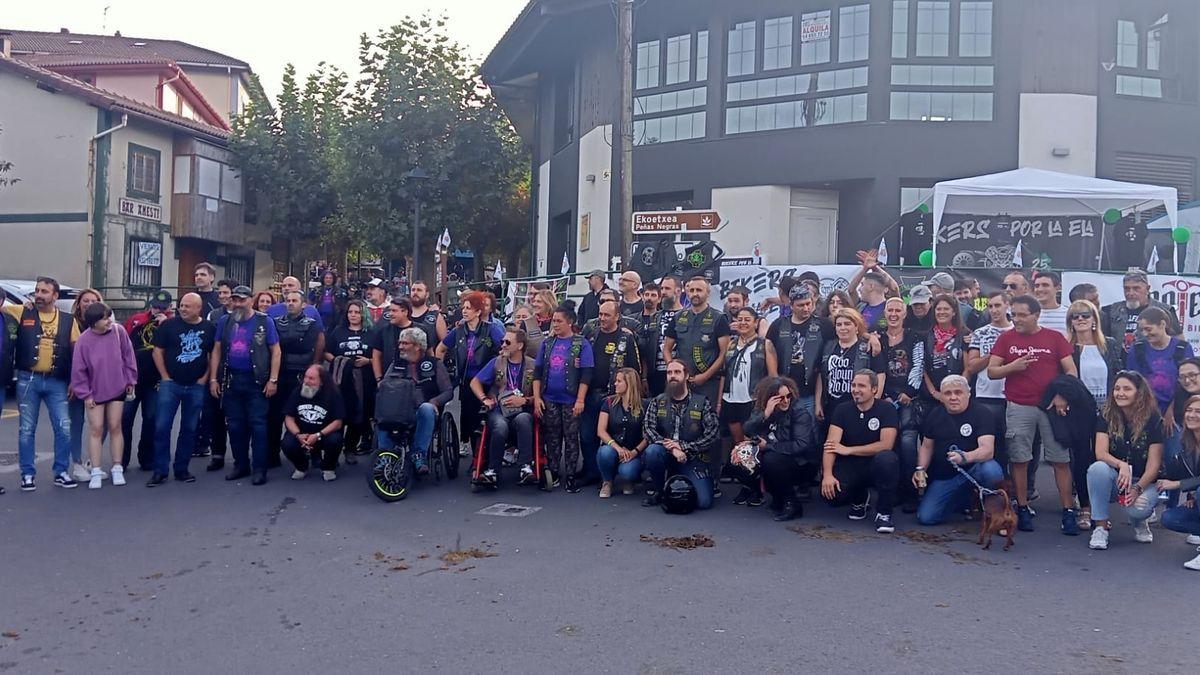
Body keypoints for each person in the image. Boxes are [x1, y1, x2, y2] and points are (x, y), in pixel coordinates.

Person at [987, 295, 1079, 534]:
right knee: (1019, 459)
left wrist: (1062, 395)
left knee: (1060, 459)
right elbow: (992, 372)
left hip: (1050, 406)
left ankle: (1068, 510)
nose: (1016, 319)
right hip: (1019, 406)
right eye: (1013, 315)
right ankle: (1023, 507)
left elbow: (1071, 371)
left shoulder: (1054, 337)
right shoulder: (1006, 338)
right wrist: (1012, 367)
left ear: (1036, 315)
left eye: (1021, 315)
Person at [4, 277, 81, 491]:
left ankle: (61, 471)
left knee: (64, 427)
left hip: (58, 381)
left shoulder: (68, 320)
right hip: (28, 379)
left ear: (55, 296)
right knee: (26, 429)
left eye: (44, 291)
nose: (39, 295)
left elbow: (77, 352)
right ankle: (27, 474)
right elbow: (3, 307)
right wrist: (23, 304)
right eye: (37, 291)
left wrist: (75, 380)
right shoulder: (22, 312)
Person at [209, 285, 282, 485]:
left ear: (251, 300)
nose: (238, 303)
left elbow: (275, 351)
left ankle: (260, 469)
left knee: (258, 425)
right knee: (235, 425)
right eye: (235, 299)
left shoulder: (264, 321)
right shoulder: (225, 321)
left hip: (256, 380)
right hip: (231, 379)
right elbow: (216, 350)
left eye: (242, 299)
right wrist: (214, 379)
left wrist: (273, 380)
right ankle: (241, 465)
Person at [1087, 371, 1164, 550]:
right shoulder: (1106, 415)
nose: (1120, 393)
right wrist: (1120, 464)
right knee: (1097, 469)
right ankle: (1101, 527)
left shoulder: (1153, 419)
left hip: (1143, 481)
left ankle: (1139, 521)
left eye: (1127, 389)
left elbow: (1154, 465)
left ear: (1139, 392)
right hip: (1117, 479)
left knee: (1139, 509)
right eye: (1117, 389)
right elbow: (1100, 453)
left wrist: (1137, 489)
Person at [914, 375, 1004, 525]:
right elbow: (926, 447)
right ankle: (966, 501)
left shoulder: (982, 413)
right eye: (948, 393)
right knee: (926, 518)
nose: (953, 397)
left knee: (991, 470)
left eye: (958, 392)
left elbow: (988, 450)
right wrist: (920, 469)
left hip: (975, 469)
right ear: (941, 396)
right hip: (946, 476)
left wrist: (965, 457)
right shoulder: (934, 415)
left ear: (968, 393)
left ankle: (997, 513)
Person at [146, 293, 215, 487]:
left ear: (198, 309)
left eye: (187, 306)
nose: (182, 309)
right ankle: (160, 471)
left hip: (196, 385)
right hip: (171, 384)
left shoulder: (208, 328)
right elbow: (157, 351)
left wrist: (204, 379)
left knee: (189, 429)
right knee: (161, 427)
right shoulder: (168, 325)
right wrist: (165, 377)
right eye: (181, 305)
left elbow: (212, 355)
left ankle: (182, 469)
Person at [823, 370, 901, 533]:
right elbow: (831, 445)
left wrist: (849, 450)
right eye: (853, 385)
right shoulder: (842, 409)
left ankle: (884, 513)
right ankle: (859, 499)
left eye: (861, 386)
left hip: (876, 464)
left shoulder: (887, 409)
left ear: (874, 389)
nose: (856, 389)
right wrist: (828, 475)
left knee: (887, 459)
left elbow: (886, 444)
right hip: (852, 465)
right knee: (831, 497)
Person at [70, 302, 137, 489]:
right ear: (93, 321)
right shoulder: (84, 340)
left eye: (109, 317)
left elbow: (128, 356)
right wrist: (85, 394)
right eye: (104, 318)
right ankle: (96, 471)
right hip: (94, 391)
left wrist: (130, 380)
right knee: (96, 429)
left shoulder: (118, 332)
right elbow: (78, 370)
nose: (109, 321)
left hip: (117, 387)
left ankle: (117, 468)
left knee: (116, 426)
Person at [642, 359, 720, 511]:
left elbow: (713, 434)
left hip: (692, 458)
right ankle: (659, 491)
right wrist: (673, 449)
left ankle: (689, 479)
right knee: (652, 451)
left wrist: (684, 447)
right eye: (669, 372)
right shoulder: (658, 401)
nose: (672, 376)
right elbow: (648, 429)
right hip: (666, 454)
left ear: (687, 376)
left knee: (704, 502)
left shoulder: (702, 402)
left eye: (677, 372)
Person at [373, 327, 453, 475]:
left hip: (423, 411)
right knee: (384, 414)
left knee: (426, 408)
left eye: (405, 343)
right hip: (399, 411)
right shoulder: (396, 365)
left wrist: (434, 402)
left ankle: (418, 454)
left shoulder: (435, 364)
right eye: (400, 343)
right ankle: (385, 456)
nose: (400, 347)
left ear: (417, 346)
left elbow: (448, 391)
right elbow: (385, 386)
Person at [581, 300, 643, 485]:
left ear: (617, 317)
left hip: (616, 396)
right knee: (587, 435)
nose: (602, 318)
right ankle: (591, 473)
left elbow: (635, 368)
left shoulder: (626, 337)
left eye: (607, 315)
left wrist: (631, 393)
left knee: (616, 435)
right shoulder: (591, 334)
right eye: (600, 314)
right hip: (592, 392)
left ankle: (614, 474)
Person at [533, 305, 594, 492]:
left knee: (571, 437)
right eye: (554, 321)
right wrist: (536, 398)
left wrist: (580, 400)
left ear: (570, 322)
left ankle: (571, 475)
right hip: (549, 398)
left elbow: (586, 374)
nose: (555, 324)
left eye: (559, 321)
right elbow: (538, 371)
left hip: (571, 399)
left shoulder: (581, 343)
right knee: (552, 436)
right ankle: (553, 473)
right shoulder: (547, 343)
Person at [437, 291, 506, 457]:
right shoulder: (458, 331)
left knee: (486, 417)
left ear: (478, 312)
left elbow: (505, 347)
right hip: (466, 379)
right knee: (468, 414)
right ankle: (469, 447)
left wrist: (498, 368)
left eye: (469, 308)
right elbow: (441, 348)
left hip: (486, 380)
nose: (464, 311)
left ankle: (487, 451)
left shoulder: (492, 330)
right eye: (463, 307)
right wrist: (439, 370)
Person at [742, 375, 819, 520]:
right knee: (741, 456)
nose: (786, 401)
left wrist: (769, 446)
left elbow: (801, 445)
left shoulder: (799, 411)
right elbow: (747, 429)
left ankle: (792, 503)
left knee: (771, 460)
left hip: (803, 462)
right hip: (778, 453)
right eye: (780, 398)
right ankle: (776, 497)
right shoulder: (764, 408)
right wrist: (765, 414)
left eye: (788, 396)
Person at [471, 328, 537, 488]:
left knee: (523, 419)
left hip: (522, 410)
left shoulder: (533, 365)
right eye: (502, 342)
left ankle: (525, 467)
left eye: (508, 342)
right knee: (499, 426)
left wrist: (524, 400)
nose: (503, 345)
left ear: (520, 345)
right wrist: (484, 399)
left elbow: (541, 395)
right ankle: (493, 470)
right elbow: (474, 382)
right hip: (499, 410)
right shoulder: (497, 362)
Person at [270, 291, 326, 468]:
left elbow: (310, 345)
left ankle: (314, 453)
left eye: (294, 301)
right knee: (275, 415)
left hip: (303, 374)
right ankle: (272, 454)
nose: (290, 303)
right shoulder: (276, 322)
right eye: (288, 301)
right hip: (281, 373)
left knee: (310, 415)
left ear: (303, 305)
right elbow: (276, 346)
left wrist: (314, 365)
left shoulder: (312, 323)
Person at [880, 296, 924, 512]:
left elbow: (919, 364)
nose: (894, 314)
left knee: (907, 443)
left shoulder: (914, 337)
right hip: (884, 397)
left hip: (909, 398)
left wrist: (909, 392)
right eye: (890, 310)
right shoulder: (877, 337)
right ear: (885, 313)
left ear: (905, 314)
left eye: (898, 310)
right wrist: (883, 395)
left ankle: (911, 492)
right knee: (890, 445)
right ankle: (892, 490)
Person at [121, 290, 174, 471]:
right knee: (125, 419)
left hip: (156, 380)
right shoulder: (137, 319)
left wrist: (166, 324)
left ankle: (147, 458)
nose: (157, 310)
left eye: (162, 307)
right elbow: (122, 342)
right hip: (133, 379)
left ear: (169, 307)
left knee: (151, 419)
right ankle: (121, 459)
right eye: (154, 306)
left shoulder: (172, 323)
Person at [663, 275, 731, 414]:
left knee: (707, 420)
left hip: (708, 382)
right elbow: (666, 349)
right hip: (682, 382)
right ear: (686, 292)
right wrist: (674, 370)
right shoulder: (678, 317)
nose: (695, 294)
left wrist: (705, 376)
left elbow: (724, 353)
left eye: (699, 290)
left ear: (708, 292)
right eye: (691, 290)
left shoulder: (719, 318)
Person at [965, 291, 1013, 477]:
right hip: (987, 396)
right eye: (990, 306)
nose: (994, 310)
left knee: (1017, 449)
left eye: (998, 305)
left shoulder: (1018, 330)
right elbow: (972, 366)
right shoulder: (980, 333)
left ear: (1007, 305)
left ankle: (1024, 491)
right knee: (992, 446)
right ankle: (995, 489)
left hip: (1013, 396)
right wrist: (994, 353)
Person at [767, 285, 833, 414]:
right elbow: (769, 349)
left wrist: (869, 337)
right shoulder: (778, 325)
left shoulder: (824, 325)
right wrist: (775, 382)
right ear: (791, 305)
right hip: (785, 392)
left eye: (809, 304)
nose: (806, 308)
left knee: (807, 431)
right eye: (801, 305)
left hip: (811, 392)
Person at [815, 308, 885, 428]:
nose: (843, 328)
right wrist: (818, 403)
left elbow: (880, 375)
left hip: (858, 405)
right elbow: (821, 376)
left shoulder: (868, 346)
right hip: (831, 406)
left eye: (847, 324)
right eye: (839, 324)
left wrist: (874, 401)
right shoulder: (828, 346)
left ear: (856, 327)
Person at [324, 299, 375, 461]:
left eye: (357, 312)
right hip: (340, 379)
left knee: (358, 414)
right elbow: (326, 352)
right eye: (350, 312)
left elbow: (379, 355)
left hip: (363, 379)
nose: (353, 315)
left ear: (363, 314)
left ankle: (350, 448)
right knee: (338, 412)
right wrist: (337, 361)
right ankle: (333, 452)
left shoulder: (371, 333)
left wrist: (368, 361)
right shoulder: (338, 332)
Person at [722, 307, 777, 448]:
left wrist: (770, 400)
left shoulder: (765, 344)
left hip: (753, 400)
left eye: (747, 320)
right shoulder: (731, 344)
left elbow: (773, 377)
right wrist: (719, 402)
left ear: (756, 322)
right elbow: (724, 373)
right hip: (731, 399)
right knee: (738, 442)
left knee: (752, 440)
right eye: (740, 320)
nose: (743, 323)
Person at [1126, 306, 1193, 421]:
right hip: (1145, 410)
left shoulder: (1182, 348)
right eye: (1142, 330)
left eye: (1148, 329)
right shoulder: (1137, 349)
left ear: (1162, 324)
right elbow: (1132, 382)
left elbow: (1188, 384)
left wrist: (1171, 409)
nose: (1145, 334)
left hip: (1178, 411)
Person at [282, 364, 346, 482]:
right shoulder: (297, 391)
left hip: (323, 434)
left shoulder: (333, 394)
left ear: (321, 381)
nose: (306, 381)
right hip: (302, 434)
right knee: (287, 443)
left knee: (335, 440)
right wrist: (297, 434)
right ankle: (301, 466)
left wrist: (318, 435)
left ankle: (328, 467)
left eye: (311, 378)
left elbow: (338, 422)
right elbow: (289, 417)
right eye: (305, 377)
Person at [1158, 394, 1200, 569]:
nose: (1192, 415)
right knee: (1170, 518)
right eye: (1189, 410)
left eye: (1198, 411)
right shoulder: (1186, 442)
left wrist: (1179, 485)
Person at [197, 280, 235, 469]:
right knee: (216, 415)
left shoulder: (246, 315)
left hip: (238, 372)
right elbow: (213, 347)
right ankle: (217, 455)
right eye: (220, 293)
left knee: (236, 418)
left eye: (226, 293)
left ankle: (240, 457)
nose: (222, 297)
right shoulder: (215, 315)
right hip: (218, 370)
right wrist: (212, 376)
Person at [66, 288, 102, 481]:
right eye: (85, 300)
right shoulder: (69, 322)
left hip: (99, 382)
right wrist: (72, 380)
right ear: (79, 303)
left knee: (101, 423)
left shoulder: (106, 323)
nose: (89, 304)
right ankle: (77, 463)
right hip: (76, 380)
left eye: (93, 301)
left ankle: (92, 461)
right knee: (76, 422)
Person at [594, 367, 647, 498]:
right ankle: (607, 481)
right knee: (604, 452)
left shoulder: (645, 405)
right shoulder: (608, 402)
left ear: (629, 384)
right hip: (614, 447)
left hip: (634, 451)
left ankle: (628, 480)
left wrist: (634, 452)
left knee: (627, 471)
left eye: (619, 381)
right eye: (615, 381)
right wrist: (618, 449)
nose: (615, 384)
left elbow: (648, 435)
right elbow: (601, 431)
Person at [1101, 268, 1181, 348]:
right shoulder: (1110, 310)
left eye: (1136, 288)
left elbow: (1179, 343)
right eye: (1127, 289)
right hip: (1118, 359)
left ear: (1147, 289)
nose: (1130, 293)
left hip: (1152, 359)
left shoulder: (1165, 310)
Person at [1067, 299, 1123, 408]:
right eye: (1075, 316)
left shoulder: (1109, 344)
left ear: (1094, 320)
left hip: (1108, 406)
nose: (1080, 319)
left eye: (1085, 315)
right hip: (1078, 406)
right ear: (1071, 322)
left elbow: (1117, 373)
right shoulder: (1067, 347)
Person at [921, 294, 967, 407]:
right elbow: (922, 368)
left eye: (946, 309)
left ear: (954, 312)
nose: (942, 312)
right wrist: (934, 392)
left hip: (957, 396)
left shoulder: (965, 335)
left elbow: (968, 368)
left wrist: (954, 391)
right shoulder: (926, 336)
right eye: (938, 309)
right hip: (932, 398)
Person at [646, 275, 683, 397]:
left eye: (667, 288)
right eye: (662, 288)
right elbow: (647, 347)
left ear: (678, 291)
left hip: (677, 373)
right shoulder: (655, 316)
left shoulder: (686, 315)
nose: (663, 292)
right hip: (655, 374)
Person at [409, 280, 449, 347]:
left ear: (427, 294)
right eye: (413, 290)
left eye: (419, 290)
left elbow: (444, 345)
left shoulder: (436, 316)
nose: (415, 292)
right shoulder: (404, 314)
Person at [1032, 271, 1068, 336]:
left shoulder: (1068, 314)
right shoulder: (1028, 314)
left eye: (1045, 285)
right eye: (1037, 286)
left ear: (1058, 287)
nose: (1040, 289)